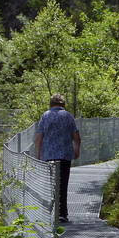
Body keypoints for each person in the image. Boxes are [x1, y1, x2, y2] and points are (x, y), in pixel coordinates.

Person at [35, 94, 81, 223]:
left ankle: (50, 210)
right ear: (63, 104)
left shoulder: (45, 116)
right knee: (63, 183)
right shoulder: (68, 116)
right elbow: (76, 136)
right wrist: (77, 149)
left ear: (51, 103)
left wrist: (39, 153)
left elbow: (39, 137)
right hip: (65, 154)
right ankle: (62, 213)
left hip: (49, 155)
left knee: (53, 183)